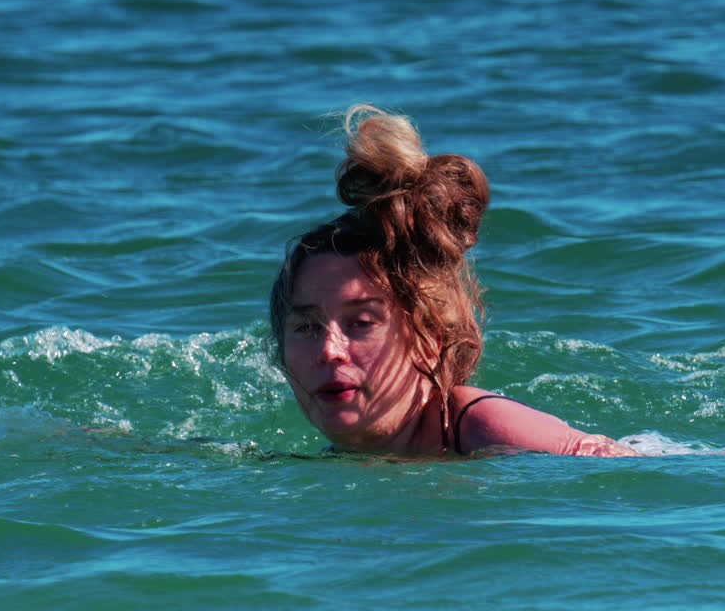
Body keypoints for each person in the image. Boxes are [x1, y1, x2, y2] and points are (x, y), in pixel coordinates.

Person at [267, 105, 638, 457]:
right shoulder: (344, 460)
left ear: (431, 340)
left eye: (361, 323)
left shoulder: (484, 427)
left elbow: (623, 472)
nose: (329, 350)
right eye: (307, 327)